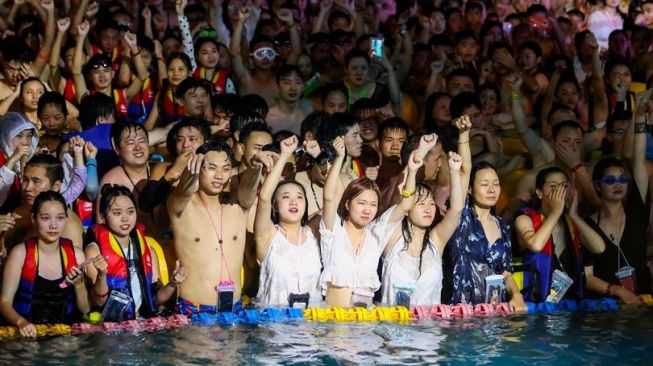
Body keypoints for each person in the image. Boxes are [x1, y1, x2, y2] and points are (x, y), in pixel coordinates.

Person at [167, 139, 261, 313]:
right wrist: (190, 171)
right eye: (211, 168)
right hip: (194, 312)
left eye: (225, 169)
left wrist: (255, 168)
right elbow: (183, 191)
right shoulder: (182, 207)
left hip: (234, 310)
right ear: (198, 167)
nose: (219, 175)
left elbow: (249, 190)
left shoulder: (238, 205)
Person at [380, 135, 467, 306]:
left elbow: (456, 210)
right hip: (393, 330)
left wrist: (455, 172)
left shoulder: (436, 241)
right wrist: (413, 167)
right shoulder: (392, 236)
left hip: (430, 331)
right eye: (420, 203)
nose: (428, 208)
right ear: (408, 208)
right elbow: (401, 199)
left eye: (431, 203)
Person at [585, 92, 653, 300]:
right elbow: (586, 276)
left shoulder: (636, 209)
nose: (618, 185)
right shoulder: (589, 224)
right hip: (605, 309)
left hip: (643, 303)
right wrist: (615, 291)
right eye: (610, 181)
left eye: (622, 179)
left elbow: (639, 159)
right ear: (597, 187)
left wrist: (640, 117)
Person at [85, 185, 186, 320]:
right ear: (103, 216)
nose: (125, 218)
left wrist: (173, 283)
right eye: (117, 213)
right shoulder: (95, 251)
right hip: (110, 327)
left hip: (141, 322)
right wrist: (102, 275)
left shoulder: (147, 249)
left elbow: (155, 299)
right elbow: (99, 302)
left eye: (130, 211)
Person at [0, 191, 89, 337]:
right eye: (45, 218)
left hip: (65, 337)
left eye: (60, 218)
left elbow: (85, 310)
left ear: (66, 219)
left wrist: (79, 285)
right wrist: (20, 322)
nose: (53, 225)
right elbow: (4, 302)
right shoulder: (20, 254)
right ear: (33, 219)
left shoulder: (77, 256)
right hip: (27, 333)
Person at [445, 159, 527, 311]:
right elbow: (465, 170)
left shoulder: (503, 226)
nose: (492, 189)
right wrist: (464, 137)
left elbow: (506, 273)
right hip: (463, 314)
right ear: (469, 189)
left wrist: (516, 294)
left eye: (496, 184)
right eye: (484, 184)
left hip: (494, 312)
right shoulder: (461, 219)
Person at [515, 167, 606, 303]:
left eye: (564, 186)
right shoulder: (525, 219)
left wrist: (574, 215)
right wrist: (556, 211)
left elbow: (599, 248)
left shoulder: (571, 223)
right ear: (539, 193)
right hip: (536, 309)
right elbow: (535, 245)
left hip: (570, 307)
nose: (560, 191)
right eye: (553, 187)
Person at [253, 136, 321, 307]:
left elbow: (333, 198)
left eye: (299, 197)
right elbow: (263, 198)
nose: (293, 202)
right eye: (286, 197)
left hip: (310, 327)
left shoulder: (314, 233)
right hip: (275, 327)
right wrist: (284, 155)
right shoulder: (268, 235)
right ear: (275, 206)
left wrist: (319, 156)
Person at [1, 113, 39, 213]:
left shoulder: (30, 160)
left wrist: (24, 165)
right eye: (18, 136)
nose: (25, 142)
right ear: (6, 136)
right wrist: (12, 160)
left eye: (29, 136)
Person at [266, 65, 315, 135]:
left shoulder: (309, 112)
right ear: (277, 87)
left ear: (303, 86)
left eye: (298, 82)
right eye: (287, 83)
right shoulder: (268, 117)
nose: (293, 88)